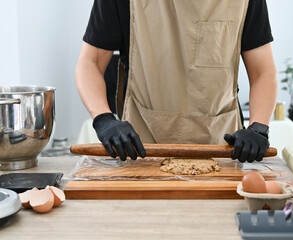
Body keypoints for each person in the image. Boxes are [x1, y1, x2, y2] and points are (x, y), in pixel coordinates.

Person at [75, 0, 277, 163]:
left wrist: (258, 128)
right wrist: (103, 119)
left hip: (221, 148)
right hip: (141, 148)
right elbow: (90, 62)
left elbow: (262, 71)